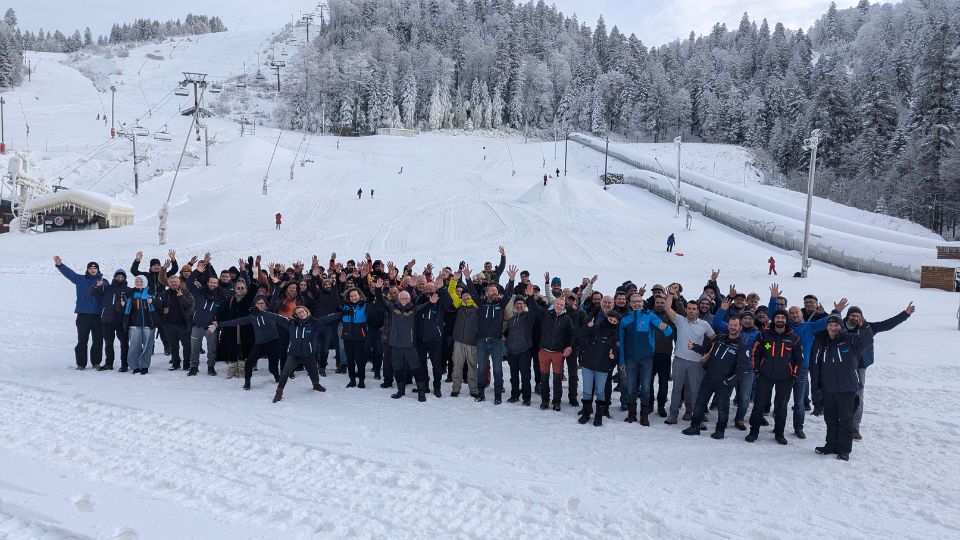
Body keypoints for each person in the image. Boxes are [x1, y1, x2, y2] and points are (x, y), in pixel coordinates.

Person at [837, 302, 914, 440]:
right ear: (848, 316)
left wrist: (905, 314)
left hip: (859, 366)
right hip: (840, 365)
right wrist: (836, 311)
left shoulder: (868, 327)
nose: (855, 318)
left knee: (858, 396)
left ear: (861, 317)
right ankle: (839, 422)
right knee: (838, 394)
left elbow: (887, 324)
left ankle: (855, 426)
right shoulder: (839, 326)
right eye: (852, 315)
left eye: (858, 315)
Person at [810, 314, 874, 461]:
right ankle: (830, 445)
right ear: (827, 327)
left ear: (841, 327)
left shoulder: (850, 339)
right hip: (828, 388)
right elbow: (816, 366)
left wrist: (864, 326)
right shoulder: (821, 342)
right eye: (830, 325)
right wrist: (817, 388)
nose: (833, 328)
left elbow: (867, 340)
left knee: (845, 419)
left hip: (847, 388)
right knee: (830, 419)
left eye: (836, 325)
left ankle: (844, 449)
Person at [682, 315, 752, 439]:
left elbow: (742, 370)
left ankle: (720, 431)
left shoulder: (742, 347)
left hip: (724, 383)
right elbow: (707, 349)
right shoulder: (719, 339)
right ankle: (695, 426)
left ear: (740, 327)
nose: (733, 328)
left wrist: (729, 381)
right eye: (731, 325)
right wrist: (694, 347)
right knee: (700, 403)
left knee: (722, 409)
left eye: (735, 325)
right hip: (709, 378)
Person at [376, 280, 439, 401]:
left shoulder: (414, 310)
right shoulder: (393, 309)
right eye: (402, 298)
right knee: (398, 369)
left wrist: (431, 303)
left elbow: (425, 307)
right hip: (395, 346)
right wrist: (378, 289)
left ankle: (421, 392)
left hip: (410, 346)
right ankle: (400, 390)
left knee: (416, 369)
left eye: (406, 298)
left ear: (409, 299)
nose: (404, 300)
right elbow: (381, 301)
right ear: (398, 299)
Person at [746, 309, 802, 445]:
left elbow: (798, 359)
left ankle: (779, 433)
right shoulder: (764, 335)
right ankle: (754, 431)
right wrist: (757, 371)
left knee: (781, 406)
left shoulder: (793, 338)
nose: (780, 320)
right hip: (765, 375)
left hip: (785, 378)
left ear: (786, 320)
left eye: (783, 317)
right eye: (778, 317)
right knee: (759, 404)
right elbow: (755, 353)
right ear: (774, 319)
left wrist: (794, 374)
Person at [263, 306, 340, 402]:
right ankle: (279, 392)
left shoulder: (314, 323)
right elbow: (276, 317)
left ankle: (316, 384)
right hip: (293, 355)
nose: (301, 314)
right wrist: (260, 312)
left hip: (308, 354)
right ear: (296, 315)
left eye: (302, 311)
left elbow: (327, 318)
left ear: (307, 311)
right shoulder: (290, 323)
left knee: (313, 371)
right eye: (298, 313)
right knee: (285, 373)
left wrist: (340, 314)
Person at [618, 294, 673, 426]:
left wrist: (666, 327)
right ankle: (631, 414)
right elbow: (622, 342)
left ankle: (644, 415)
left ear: (642, 302)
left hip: (647, 359)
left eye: (639, 301)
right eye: (634, 302)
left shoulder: (650, 316)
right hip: (630, 359)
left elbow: (667, 332)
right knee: (631, 387)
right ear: (630, 304)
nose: (637, 304)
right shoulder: (625, 320)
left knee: (646, 388)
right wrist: (621, 361)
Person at [662, 292, 716, 424]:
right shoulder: (680, 320)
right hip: (679, 360)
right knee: (676, 389)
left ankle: (696, 416)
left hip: (696, 363)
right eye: (689, 308)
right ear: (686, 309)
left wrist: (707, 354)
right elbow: (667, 308)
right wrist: (669, 295)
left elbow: (714, 340)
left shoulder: (704, 324)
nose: (691, 311)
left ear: (697, 310)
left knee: (695, 391)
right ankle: (673, 415)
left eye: (694, 309)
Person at [217, 297, 283, 389]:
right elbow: (236, 321)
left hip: (274, 343)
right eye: (258, 303)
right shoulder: (252, 317)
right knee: (249, 363)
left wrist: (276, 286)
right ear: (255, 305)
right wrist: (220, 324)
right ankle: (247, 382)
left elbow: (275, 297)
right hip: (260, 345)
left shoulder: (270, 313)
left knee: (272, 368)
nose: (260, 305)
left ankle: (277, 376)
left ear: (266, 305)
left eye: (262, 303)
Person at [474, 266, 516, 403]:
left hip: (497, 342)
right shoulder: (481, 305)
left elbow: (509, 293)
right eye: (490, 291)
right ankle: (480, 393)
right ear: (486, 293)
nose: (493, 292)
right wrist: (468, 278)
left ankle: (498, 394)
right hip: (482, 342)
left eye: (495, 291)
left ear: (498, 293)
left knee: (498, 370)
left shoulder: (501, 305)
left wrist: (511, 279)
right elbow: (472, 293)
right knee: (481, 369)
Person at [54, 256, 104, 370]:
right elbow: (69, 274)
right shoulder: (80, 279)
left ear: (98, 270)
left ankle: (96, 362)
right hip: (83, 315)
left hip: (97, 316)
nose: (93, 270)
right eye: (90, 268)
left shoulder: (103, 282)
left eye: (95, 268)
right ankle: (81, 364)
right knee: (82, 340)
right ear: (87, 269)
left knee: (98, 340)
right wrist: (60, 265)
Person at [528, 295, 575, 411]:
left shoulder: (566, 319)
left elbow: (572, 335)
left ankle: (557, 401)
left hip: (557, 353)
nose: (559, 306)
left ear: (564, 306)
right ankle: (545, 400)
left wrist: (570, 347)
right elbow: (534, 307)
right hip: (544, 351)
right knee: (544, 377)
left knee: (557, 379)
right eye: (557, 304)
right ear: (554, 305)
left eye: (561, 305)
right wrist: (530, 296)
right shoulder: (546, 314)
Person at [576, 310, 621, 426]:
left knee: (600, 391)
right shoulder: (595, 327)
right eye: (610, 319)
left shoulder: (616, 334)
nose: (612, 322)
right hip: (588, 364)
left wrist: (613, 355)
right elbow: (580, 336)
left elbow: (617, 349)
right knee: (587, 390)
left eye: (615, 321)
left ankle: (599, 415)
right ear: (607, 318)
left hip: (603, 366)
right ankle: (586, 413)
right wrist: (587, 327)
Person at [187, 257, 227, 376]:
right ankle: (194, 367)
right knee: (194, 348)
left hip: (211, 327)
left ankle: (211, 367)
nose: (213, 284)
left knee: (212, 348)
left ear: (217, 284)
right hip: (197, 325)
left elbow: (223, 312)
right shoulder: (200, 292)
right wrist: (197, 271)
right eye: (211, 282)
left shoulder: (221, 297)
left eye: (215, 283)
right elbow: (189, 282)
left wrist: (217, 322)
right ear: (208, 282)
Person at [447, 268, 479, 398]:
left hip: (472, 341)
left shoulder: (477, 306)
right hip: (459, 340)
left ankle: (474, 390)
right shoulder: (459, 304)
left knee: (472, 367)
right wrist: (454, 279)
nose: (466, 295)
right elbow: (451, 291)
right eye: (464, 294)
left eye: (468, 294)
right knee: (457, 366)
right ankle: (456, 388)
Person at [91, 269, 132, 372]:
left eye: (122, 277)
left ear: (125, 278)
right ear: (114, 277)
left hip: (121, 321)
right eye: (118, 276)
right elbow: (93, 293)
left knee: (124, 343)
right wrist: (97, 286)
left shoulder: (128, 290)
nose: (120, 278)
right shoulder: (107, 288)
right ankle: (109, 364)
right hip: (107, 320)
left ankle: (124, 365)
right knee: (108, 343)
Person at [156, 275, 194, 371]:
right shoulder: (164, 293)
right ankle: (175, 363)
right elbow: (158, 306)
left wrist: (181, 297)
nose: (174, 283)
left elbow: (189, 304)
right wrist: (162, 310)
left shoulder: (186, 292)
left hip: (183, 324)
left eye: (175, 282)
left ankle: (187, 364)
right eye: (171, 282)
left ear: (179, 282)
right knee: (173, 346)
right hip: (169, 324)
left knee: (187, 345)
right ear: (168, 283)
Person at [505, 292, 537, 405]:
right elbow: (508, 333)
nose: (519, 306)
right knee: (513, 375)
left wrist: (531, 296)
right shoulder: (511, 319)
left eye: (521, 304)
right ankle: (514, 395)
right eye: (517, 304)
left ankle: (526, 398)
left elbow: (533, 309)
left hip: (524, 351)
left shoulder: (528, 317)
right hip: (512, 351)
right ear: (514, 305)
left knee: (525, 376)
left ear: (524, 305)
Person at [122, 276, 158, 374]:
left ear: (145, 282)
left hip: (148, 323)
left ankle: (144, 366)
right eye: (137, 281)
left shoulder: (151, 292)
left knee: (147, 346)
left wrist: (153, 301)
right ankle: (134, 366)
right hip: (134, 324)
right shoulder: (131, 293)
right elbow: (126, 307)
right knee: (134, 346)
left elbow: (158, 305)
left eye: (141, 281)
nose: (138, 283)